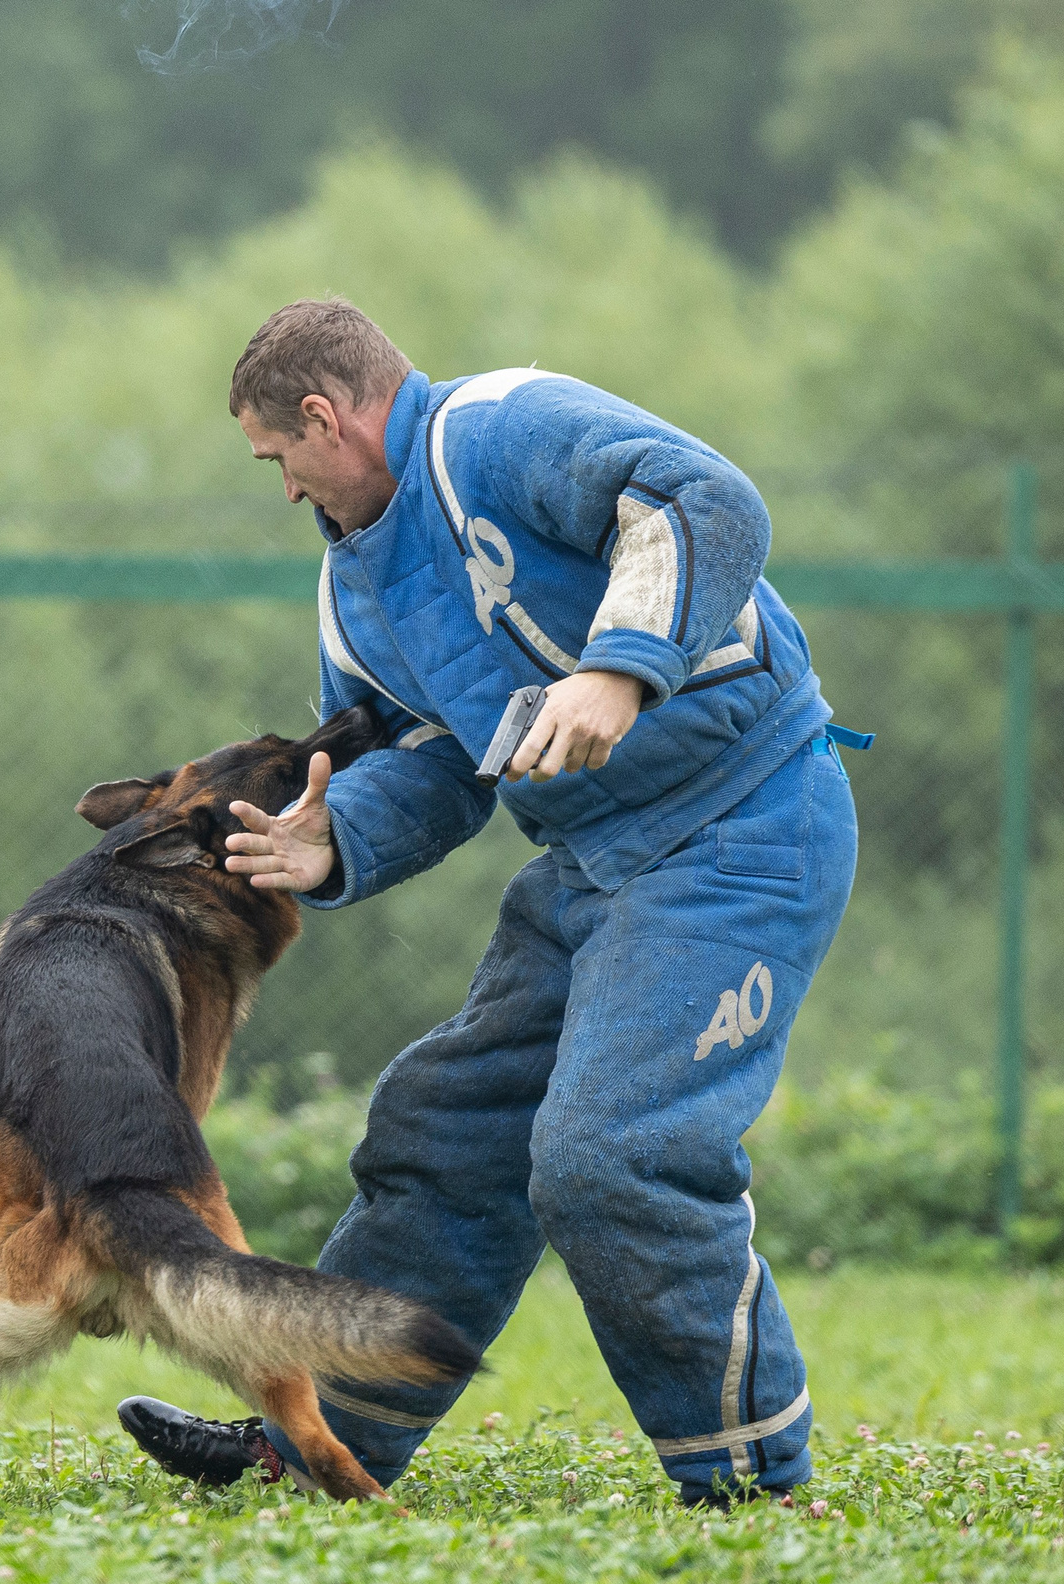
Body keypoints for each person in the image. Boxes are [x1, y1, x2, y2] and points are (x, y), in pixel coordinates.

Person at [116, 298, 858, 1505]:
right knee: (441, 1127)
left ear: (323, 417)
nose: (288, 492)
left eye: (280, 461)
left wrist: (620, 669)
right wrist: (333, 837)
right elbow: (427, 762)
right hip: (590, 863)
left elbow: (704, 500)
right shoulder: (350, 590)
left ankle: (750, 1480)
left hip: (747, 822)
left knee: (610, 1158)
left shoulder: (498, 429)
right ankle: (322, 1448)